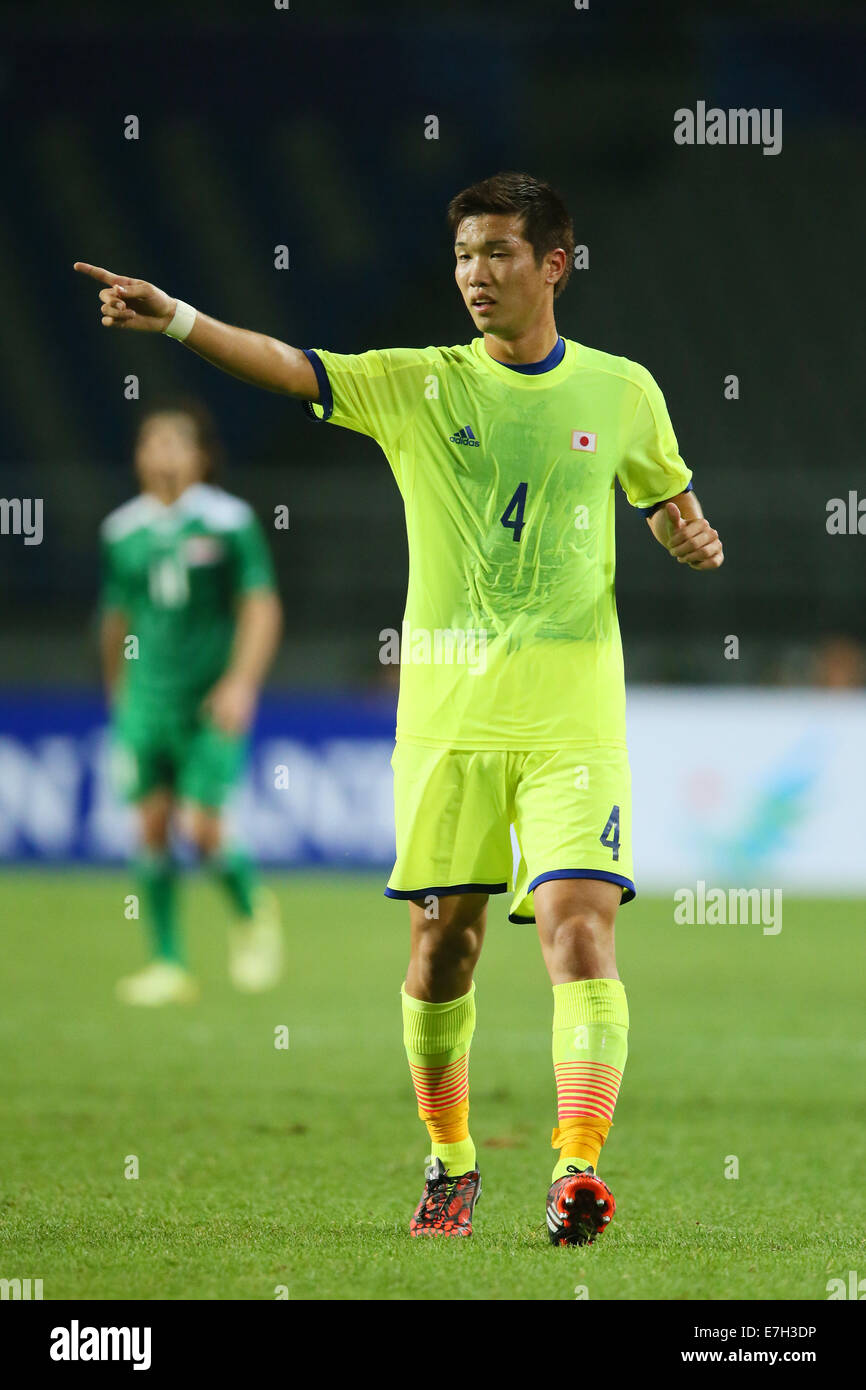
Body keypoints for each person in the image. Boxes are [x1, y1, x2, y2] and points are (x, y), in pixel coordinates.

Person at [75, 169, 723, 1242]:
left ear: (553, 265)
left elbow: (666, 501)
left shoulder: (622, 389)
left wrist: (684, 535)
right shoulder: (417, 383)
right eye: (463, 254)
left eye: (499, 253)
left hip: (571, 717)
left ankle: (573, 1169)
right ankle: (451, 1162)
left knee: (576, 929)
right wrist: (176, 319)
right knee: (443, 950)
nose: (474, 273)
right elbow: (289, 368)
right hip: (446, 721)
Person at [99, 402, 284, 1005]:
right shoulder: (122, 531)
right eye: (152, 443)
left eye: (177, 443)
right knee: (151, 827)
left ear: (202, 456)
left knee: (201, 829)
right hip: (146, 701)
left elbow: (260, 605)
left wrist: (241, 683)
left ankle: (253, 911)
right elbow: (115, 618)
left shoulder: (229, 523)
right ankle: (169, 963)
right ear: (139, 456)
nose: (164, 454)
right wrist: (119, 695)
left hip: (209, 702)